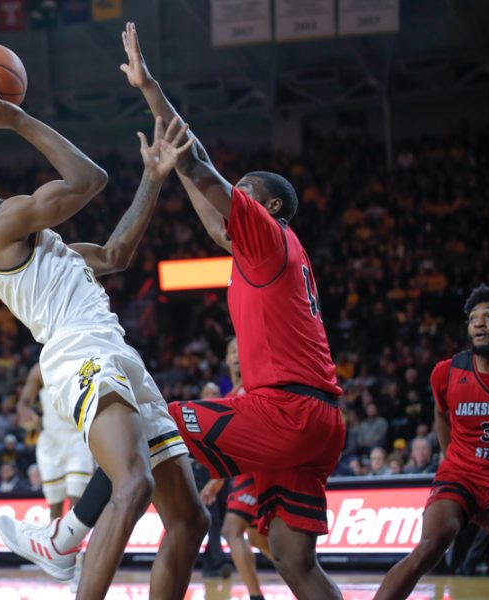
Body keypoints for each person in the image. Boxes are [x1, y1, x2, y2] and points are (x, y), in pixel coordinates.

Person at [28, 23, 346, 599]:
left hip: (287, 411)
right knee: (296, 562)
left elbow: (201, 165)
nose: (231, 197)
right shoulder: (269, 253)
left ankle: (66, 536)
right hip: (320, 421)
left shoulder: (268, 232)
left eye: (241, 191)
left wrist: (151, 91)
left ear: (268, 205)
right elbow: (205, 200)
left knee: (150, 423)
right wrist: (168, 169)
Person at [0, 81, 208, 599]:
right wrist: (16, 120)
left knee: (189, 519)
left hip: (114, 350)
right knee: (132, 484)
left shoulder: (41, 247)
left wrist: (153, 179)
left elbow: (116, 256)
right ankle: (64, 543)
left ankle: (61, 538)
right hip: (80, 354)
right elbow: (89, 179)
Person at [375, 284, 489, 599]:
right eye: (473, 318)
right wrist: (448, 455)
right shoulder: (447, 372)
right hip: (461, 478)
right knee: (430, 544)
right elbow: (441, 411)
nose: (478, 323)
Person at [201, 338, 274, 599]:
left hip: (254, 472)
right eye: (232, 351)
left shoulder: (252, 388)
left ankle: (256, 596)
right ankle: (303, 576)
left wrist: (218, 477)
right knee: (258, 541)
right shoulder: (231, 394)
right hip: (243, 473)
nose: (236, 356)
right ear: (225, 357)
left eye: (241, 351)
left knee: (231, 530)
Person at [18, 363, 94, 520]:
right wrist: (26, 412)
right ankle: (55, 540)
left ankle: (74, 542)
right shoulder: (40, 369)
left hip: (77, 438)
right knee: (55, 504)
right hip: (51, 441)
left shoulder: (83, 361)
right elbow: (23, 402)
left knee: (77, 500)